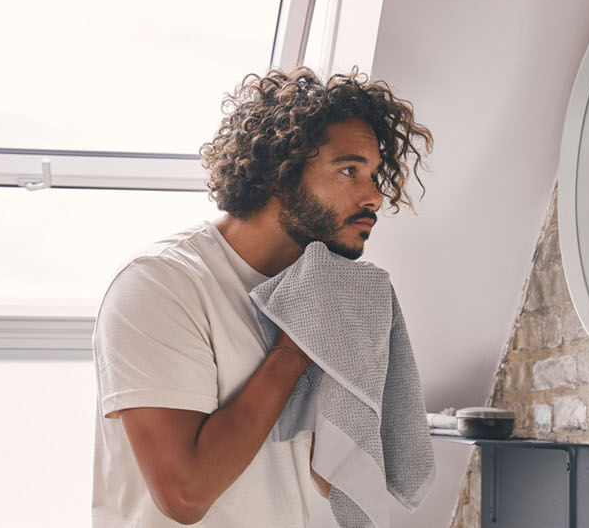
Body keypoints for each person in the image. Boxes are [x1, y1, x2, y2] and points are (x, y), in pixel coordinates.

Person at [91, 67, 431, 527]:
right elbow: (185, 495)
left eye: (375, 174)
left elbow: (331, 476)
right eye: (349, 170)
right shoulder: (161, 284)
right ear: (280, 174)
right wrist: (293, 350)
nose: (374, 196)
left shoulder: (318, 290)